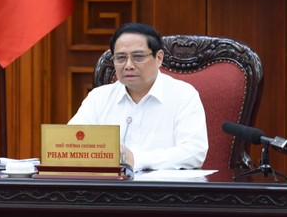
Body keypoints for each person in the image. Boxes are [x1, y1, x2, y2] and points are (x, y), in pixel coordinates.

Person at [68, 22, 208, 170]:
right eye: (120, 58)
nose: (128, 65)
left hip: (164, 191)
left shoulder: (183, 95)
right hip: (109, 189)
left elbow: (194, 153)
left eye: (138, 57)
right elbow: (72, 144)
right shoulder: (99, 98)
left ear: (159, 58)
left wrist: (137, 159)